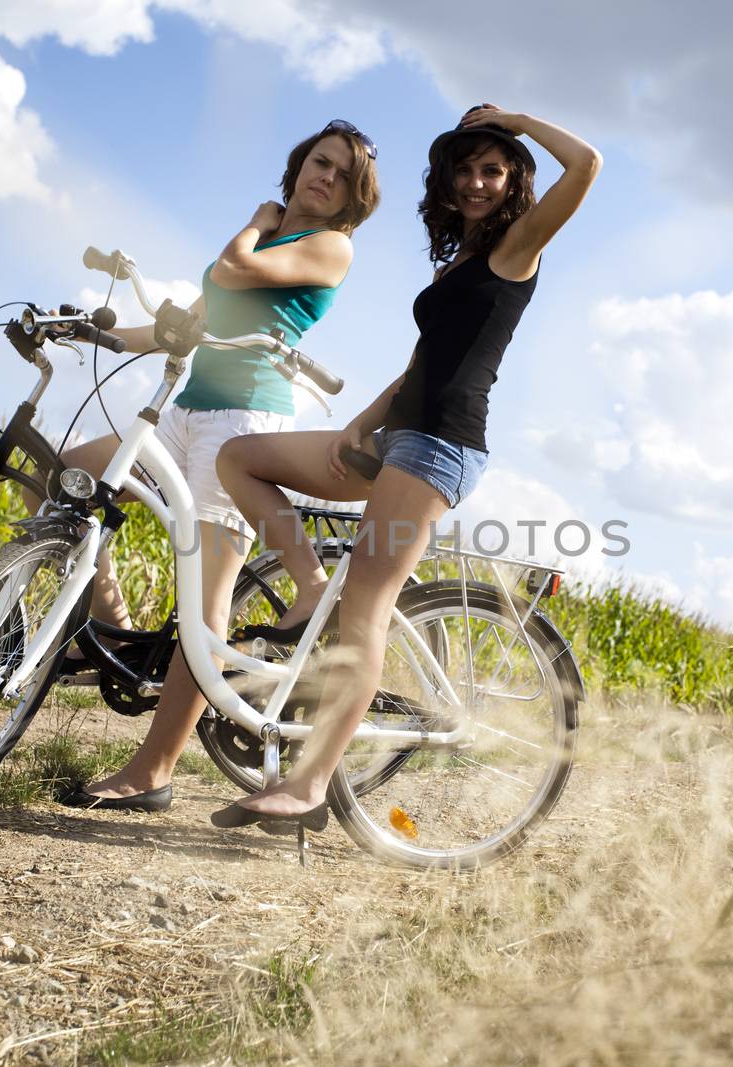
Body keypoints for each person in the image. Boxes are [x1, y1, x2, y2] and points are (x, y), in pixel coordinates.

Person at [210, 104, 600, 829]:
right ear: (447, 183)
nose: (477, 181)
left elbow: (587, 166)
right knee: (241, 458)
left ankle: (309, 786)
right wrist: (362, 421)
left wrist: (514, 119)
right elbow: (428, 359)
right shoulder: (462, 259)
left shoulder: (520, 246)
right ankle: (307, 586)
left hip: (440, 447)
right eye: (466, 169)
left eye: (493, 169)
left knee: (366, 608)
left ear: (514, 181)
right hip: (398, 437)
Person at [37, 120, 381, 811]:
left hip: (245, 420)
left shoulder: (328, 245)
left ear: (353, 198)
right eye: (320, 161)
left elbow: (233, 271)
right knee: (70, 481)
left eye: (343, 175)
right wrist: (88, 330)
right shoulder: (275, 233)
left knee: (205, 600)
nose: (327, 177)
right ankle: (103, 629)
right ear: (300, 162)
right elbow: (184, 326)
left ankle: (153, 770)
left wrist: (257, 218)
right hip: (185, 410)